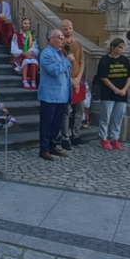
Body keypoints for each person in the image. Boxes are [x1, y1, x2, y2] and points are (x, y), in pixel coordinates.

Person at [38, 29, 73, 161]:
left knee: (56, 123)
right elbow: (54, 71)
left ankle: (52, 145)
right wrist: (67, 61)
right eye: (58, 37)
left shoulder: (59, 52)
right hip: (50, 95)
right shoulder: (46, 54)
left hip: (61, 95)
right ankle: (44, 149)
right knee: (47, 123)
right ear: (50, 39)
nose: (61, 39)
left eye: (62, 37)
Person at [97, 38, 130, 150]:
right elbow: (103, 77)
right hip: (108, 93)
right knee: (106, 117)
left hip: (122, 94)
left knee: (118, 117)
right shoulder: (104, 60)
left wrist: (124, 89)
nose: (122, 49)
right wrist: (115, 89)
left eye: (123, 47)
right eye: (120, 47)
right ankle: (103, 137)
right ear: (113, 47)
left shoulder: (124, 60)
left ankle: (115, 137)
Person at [60, 19, 86, 149]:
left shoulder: (77, 43)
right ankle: (65, 136)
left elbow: (82, 60)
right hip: (65, 81)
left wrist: (78, 79)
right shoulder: (59, 46)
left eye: (70, 28)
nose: (68, 30)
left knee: (79, 110)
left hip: (78, 80)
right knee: (66, 111)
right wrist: (71, 80)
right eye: (65, 29)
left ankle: (76, 134)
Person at [10, 17, 40, 89]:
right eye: (25, 23)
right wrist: (23, 53)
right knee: (26, 61)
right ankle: (24, 80)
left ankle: (33, 81)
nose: (27, 25)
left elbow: (35, 47)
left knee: (34, 61)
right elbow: (13, 49)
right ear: (21, 24)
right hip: (19, 56)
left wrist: (30, 52)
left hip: (29, 54)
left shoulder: (31, 35)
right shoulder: (16, 35)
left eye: (28, 23)